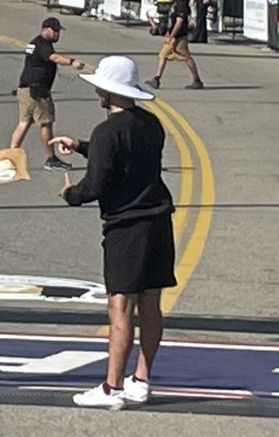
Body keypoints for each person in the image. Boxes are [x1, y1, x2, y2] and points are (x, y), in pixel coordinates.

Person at [50, 56, 176, 410]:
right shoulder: (152, 124)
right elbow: (127, 155)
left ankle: (111, 388)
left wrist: (70, 195)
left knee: (120, 307)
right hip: (159, 219)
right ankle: (141, 380)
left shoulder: (107, 132)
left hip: (126, 227)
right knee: (151, 305)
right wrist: (81, 145)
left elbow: (95, 184)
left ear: (109, 91)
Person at [8, 17, 87, 172]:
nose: (58, 34)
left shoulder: (34, 43)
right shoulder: (42, 44)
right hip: (38, 91)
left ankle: (11, 155)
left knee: (24, 122)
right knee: (46, 123)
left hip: (25, 89)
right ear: (46, 29)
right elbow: (54, 57)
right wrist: (72, 62)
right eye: (55, 31)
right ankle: (51, 158)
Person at [144, 0, 204, 90]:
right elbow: (172, 22)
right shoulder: (174, 6)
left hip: (179, 37)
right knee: (163, 55)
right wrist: (168, 32)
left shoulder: (180, 6)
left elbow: (179, 22)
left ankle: (197, 80)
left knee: (187, 58)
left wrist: (172, 35)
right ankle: (156, 79)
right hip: (174, 36)